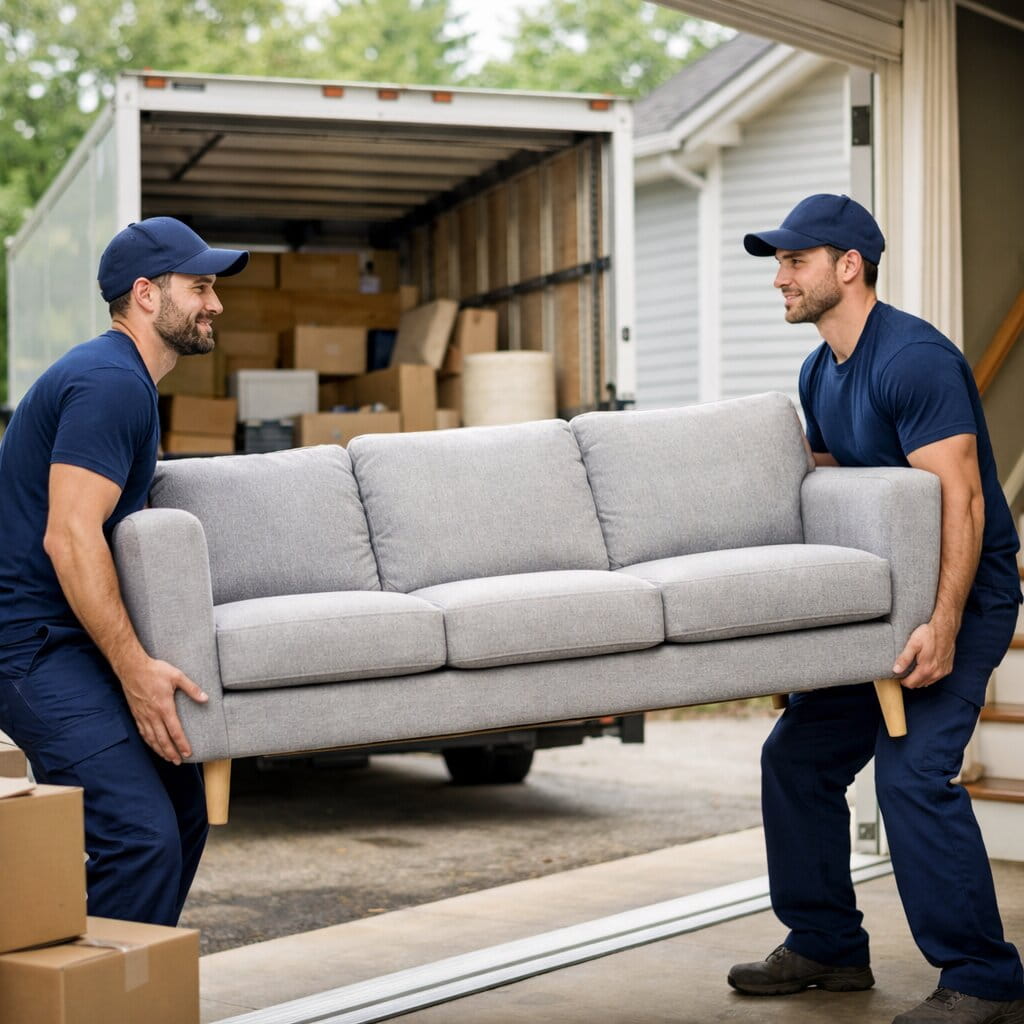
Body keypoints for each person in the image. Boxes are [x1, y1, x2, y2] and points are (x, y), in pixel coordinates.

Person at [728, 194, 1024, 1024]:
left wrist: (946, 622)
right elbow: (843, 484)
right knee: (797, 760)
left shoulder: (915, 360)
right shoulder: (819, 368)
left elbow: (961, 501)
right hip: (882, 599)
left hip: (958, 595)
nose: (779, 278)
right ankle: (825, 945)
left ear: (847, 266)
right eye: (778, 264)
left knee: (912, 773)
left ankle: (983, 978)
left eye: (794, 262)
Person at [0, 217, 248, 925]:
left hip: (68, 642)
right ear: (146, 293)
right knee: (140, 839)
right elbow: (71, 538)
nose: (215, 304)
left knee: (182, 811)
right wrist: (136, 669)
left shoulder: (123, 380)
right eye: (199, 286)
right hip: (32, 649)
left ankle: (124, 978)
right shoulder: (111, 382)